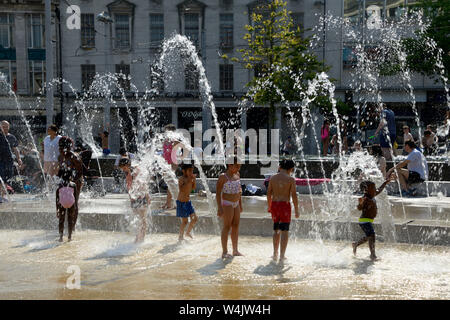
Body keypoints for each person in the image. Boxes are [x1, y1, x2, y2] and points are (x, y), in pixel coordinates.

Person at [266, 159, 299, 262]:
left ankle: (275, 253)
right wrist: (297, 210)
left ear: (280, 167)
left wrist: (269, 206)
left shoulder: (273, 178)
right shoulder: (290, 179)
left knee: (276, 230)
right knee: (284, 231)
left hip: (275, 205)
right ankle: (282, 255)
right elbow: (293, 195)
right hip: (285, 205)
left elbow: (268, 193)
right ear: (291, 169)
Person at [352, 177, 392, 261]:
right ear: (366, 190)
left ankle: (356, 244)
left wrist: (385, 182)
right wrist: (360, 204)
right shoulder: (365, 198)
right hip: (364, 221)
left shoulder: (372, 195)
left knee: (368, 236)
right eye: (373, 188)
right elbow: (359, 208)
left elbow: (379, 190)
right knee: (372, 235)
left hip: (368, 221)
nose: (375, 189)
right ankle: (373, 255)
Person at [56, 137, 84, 242]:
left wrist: (72, 182)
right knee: (62, 204)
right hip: (65, 182)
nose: (61, 151)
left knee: (74, 203)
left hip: (75, 182)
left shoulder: (74, 157)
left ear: (68, 148)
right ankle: (64, 229)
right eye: (60, 148)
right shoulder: (60, 157)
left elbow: (80, 172)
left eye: (62, 148)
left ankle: (72, 227)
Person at [216, 157, 243, 258]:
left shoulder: (237, 175)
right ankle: (224, 252)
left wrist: (240, 204)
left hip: (236, 202)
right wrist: (219, 207)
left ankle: (235, 250)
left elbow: (239, 190)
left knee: (236, 225)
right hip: (227, 203)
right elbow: (218, 194)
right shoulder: (223, 177)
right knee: (227, 226)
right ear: (230, 165)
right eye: (237, 166)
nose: (238, 169)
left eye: (239, 166)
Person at [119, 158, 150, 243]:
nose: (123, 170)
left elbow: (143, 184)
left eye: (124, 168)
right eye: (122, 168)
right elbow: (129, 186)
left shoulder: (136, 171)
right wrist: (130, 199)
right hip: (134, 198)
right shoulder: (128, 172)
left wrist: (147, 196)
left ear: (128, 165)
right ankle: (138, 237)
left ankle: (141, 238)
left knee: (142, 219)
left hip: (141, 197)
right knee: (137, 218)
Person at [176, 163, 198, 240]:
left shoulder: (190, 178)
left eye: (192, 171)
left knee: (195, 218)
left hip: (188, 202)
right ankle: (180, 236)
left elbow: (193, 188)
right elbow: (181, 189)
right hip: (181, 202)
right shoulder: (181, 179)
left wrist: (194, 180)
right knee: (185, 221)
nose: (191, 172)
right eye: (189, 171)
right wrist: (188, 180)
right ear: (184, 171)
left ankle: (188, 232)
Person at [162, 124, 179, 210]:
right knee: (170, 184)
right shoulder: (165, 141)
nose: (165, 132)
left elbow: (175, 154)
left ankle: (170, 203)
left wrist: (173, 166)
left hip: (172, 164)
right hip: (165, 164)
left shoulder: (175, 141)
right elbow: (163, 153)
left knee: (170, 183)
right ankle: (170, 202)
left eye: (167, 130)